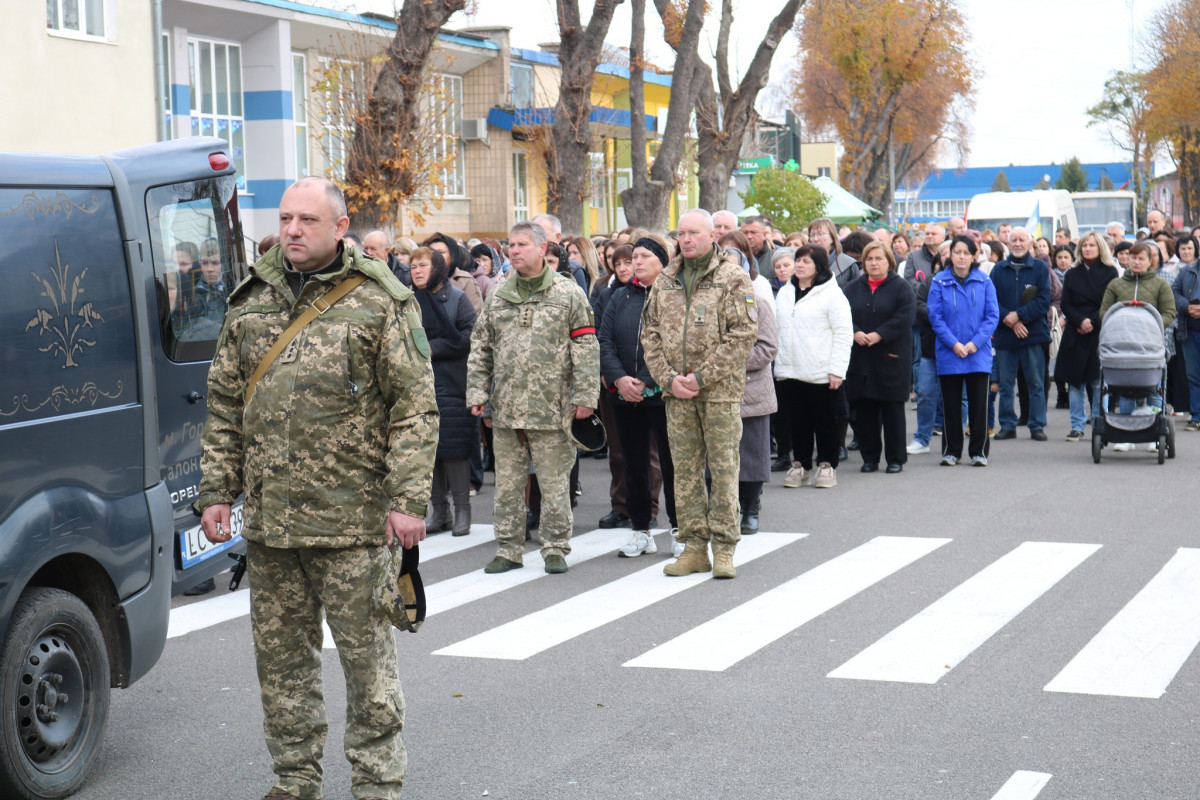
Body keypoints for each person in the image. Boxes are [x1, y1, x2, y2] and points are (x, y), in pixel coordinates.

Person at [195, 176, 437, 800]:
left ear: (339, 226)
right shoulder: (251, 300)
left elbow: (414, 407)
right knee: (281, 665)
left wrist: (409, 500)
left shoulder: (380, 299)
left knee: (367, 664)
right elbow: (224, 402)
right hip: (272, 522)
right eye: (286, 219)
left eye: (307, 219)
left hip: (352, 521)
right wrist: (216, 489)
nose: (293, 230)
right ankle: (295, 779)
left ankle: (377, 783)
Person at [466, 221, 600, 575]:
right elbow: (481, 346)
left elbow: (586, 346)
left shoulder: (567, 292)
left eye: (522, 244)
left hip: (553, 406)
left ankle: (555, 546)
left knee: (554, 483)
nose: (514, 251)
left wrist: (586, 395)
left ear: (542, 249)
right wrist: (478, 392)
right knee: (508, 484)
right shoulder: (500, 294)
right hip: (507, 406)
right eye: (511, 245)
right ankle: (509, 548)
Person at [642, 209, 758, 579]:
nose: (686, 239)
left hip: (719, 392)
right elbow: (650, 333)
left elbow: (743, 334)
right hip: (677, 393)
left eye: (694, 233)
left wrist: (702, 377)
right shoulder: (666, 278)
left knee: (723, 471)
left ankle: (724, 549)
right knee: (685, 471)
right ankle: (693, 548)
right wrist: (668, 379)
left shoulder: (732, 277)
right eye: (681, 233)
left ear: (712, 236)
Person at [599, 235, 678, 557]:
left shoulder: (673, 295)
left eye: (645, 256)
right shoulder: (620, 296)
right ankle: (641, 529)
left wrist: (644, 380)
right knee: (632, 464)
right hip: (624, 394)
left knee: (672, 464)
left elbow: (673, 343)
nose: (638, 262)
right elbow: (604, 340)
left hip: (662, 393)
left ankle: (680, 530)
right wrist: (620, 378)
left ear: (663, 261)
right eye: (635, 257)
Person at [410, 246, 477, 536]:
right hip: (418, 385)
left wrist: (432, 348)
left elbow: (469, 338)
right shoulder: (409, 301)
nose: (417, 271)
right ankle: (439, 511)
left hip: (452, 383)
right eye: (413, 266)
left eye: (423, 265)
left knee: (454, 448)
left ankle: (462, 511)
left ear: (437, 268)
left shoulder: (458, 298)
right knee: (429, 451)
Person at [775, 244, 853, 489]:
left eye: (806, 261)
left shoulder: (832, 294)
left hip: (821, 370)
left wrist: (837, 370)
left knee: (826, 421)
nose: (799, 265)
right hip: (790, 369)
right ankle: (800, 465)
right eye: (798, 260)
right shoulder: (785, 292)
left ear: (819, 266)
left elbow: (843, 334)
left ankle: (827, 465)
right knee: (798, 422)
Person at [843, 241, 916, 473]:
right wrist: (855, 331)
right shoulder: (852, 288)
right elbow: (842, 315)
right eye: (869, 259)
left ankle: (895, 459)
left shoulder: (901, 287)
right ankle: (870, 458)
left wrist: (881, 334)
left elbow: (905, 317)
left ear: (889, 262)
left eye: (879, 259)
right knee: (866, 410)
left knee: (892, 411)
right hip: (861, 356)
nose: (874, 263)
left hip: (891, 356)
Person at [927, 235, 1000, 466]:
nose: (961, 257)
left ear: (974, 255)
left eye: (966, 253)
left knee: (979, 405)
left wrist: (975, 343)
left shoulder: (984, 281)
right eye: (957, 252)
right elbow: (935, 317)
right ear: (949, 255)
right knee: (951, 405)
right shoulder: (939, 281)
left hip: (978, 352)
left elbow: (992, 316)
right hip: (950, 352)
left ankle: (978, 452)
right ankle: (952, 450)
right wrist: (954, 343)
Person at [991, 226, 1052, 441]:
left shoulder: (1040, 268)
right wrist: (1010, 320)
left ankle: (1037, 425)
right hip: (1005, 335)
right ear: (1008, 244)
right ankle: (1008, 425)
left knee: (1035, 383)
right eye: (1014, 240)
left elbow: (1043, 300)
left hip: (1033, 334)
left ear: (1029, 243)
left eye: (1021, 240)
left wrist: (1018, 316)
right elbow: (992, 301)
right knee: (1006, 384)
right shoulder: (998, 269)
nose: (1017, 244)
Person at [1058, 232, 1119, 442]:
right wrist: (1079, 321)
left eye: (1092, 245)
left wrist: (1091, 321)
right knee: (1075, 383)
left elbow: (1110, 303)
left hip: (1098, 330)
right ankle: (1077, 426)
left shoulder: (1110, 272)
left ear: (1100, 247)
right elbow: (1065, 303)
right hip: (1076, 330)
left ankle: (1099, 424)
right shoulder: (1072, 273)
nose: (1087, 249)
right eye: (1084, 245)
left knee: (1098, 382)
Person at [737, 244, 779, 535]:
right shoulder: (707, 304)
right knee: (716, 456)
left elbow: (767, 348)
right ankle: (724, 507)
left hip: (751, 388)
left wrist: (728, 364)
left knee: (752, 452)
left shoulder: (757, 303)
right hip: (714, 389)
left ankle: (751, 506)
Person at [1173, 238, 1200, 431]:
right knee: (1194, 376)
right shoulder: (1186, 271)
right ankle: (1196, 416)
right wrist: (1187, 307)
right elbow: (1173, 292)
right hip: (1190, 331)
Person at [807, 217, 862, 288]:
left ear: (832, 238)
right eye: (812, 235)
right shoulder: (803, 263)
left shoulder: (848, 265)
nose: (815, 239)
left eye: (820, 234)